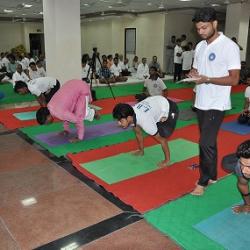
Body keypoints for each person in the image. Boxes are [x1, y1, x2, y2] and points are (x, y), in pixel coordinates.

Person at [188, 7, 241, 196]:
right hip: (201, 101)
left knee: (204, 142)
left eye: (204, 28)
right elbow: (197, 71)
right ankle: (212, 175)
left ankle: (203, 182)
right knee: (208, 142)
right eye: (198, 29)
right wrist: (193, 75)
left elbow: (234, 79)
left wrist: (208, 79)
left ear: (215, 24)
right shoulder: (201, 46)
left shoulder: (229, 46)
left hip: (217, 103)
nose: (201, 32)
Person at [112, 96, 179, 167]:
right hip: (156, 102)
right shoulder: (131, 114)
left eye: (120, 120)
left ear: (129, 118)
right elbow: (138, 133)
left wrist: (166, 161)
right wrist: (141, 151)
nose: (118, 123)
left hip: (170, 107)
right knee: (149, 126)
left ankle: (168, 160)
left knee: (163, 134)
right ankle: (141, 151)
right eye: (118, 120)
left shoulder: (145, 123)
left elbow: (163, 141)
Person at [36, 79, 100, 143]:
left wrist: (79, 137)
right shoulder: (50, 105)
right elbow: (65, 116)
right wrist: (66, 130)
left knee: (81, 115)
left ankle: (94, 112)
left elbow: (78, 120)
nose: (47, 124)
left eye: (46, 122)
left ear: (47, 117)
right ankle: (87, 109)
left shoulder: (59, 112)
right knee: (71, 113)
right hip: (73, 84)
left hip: (81, 90)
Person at [222, 140, 250, 213]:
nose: (244, 170)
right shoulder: (233, 165)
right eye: (242, 164)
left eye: (249, 167)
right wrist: (248, 205)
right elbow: (242, 184)